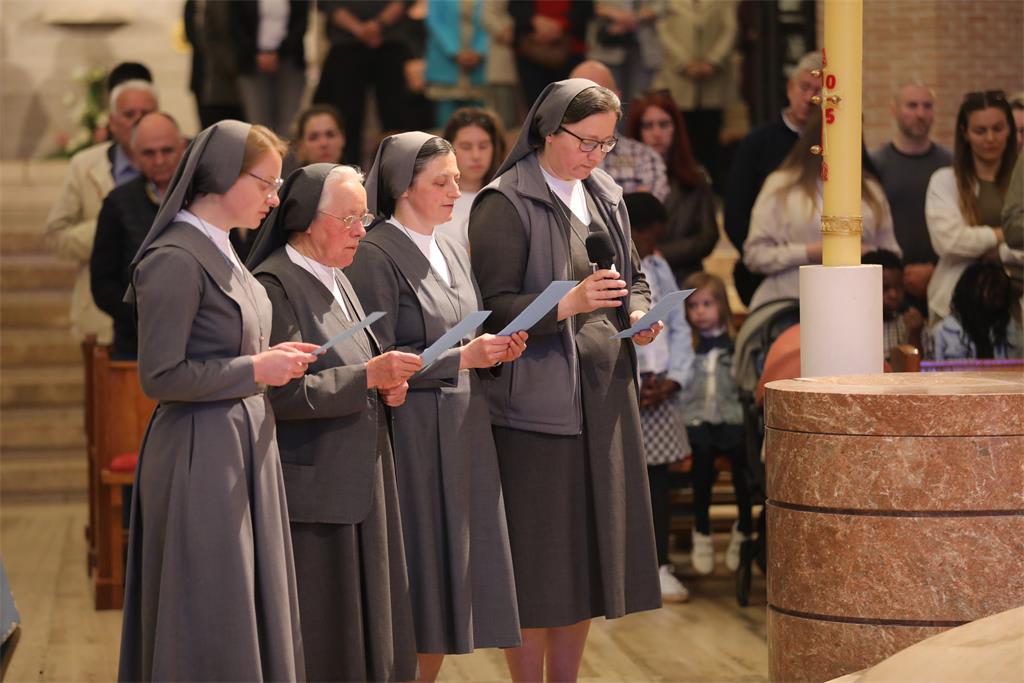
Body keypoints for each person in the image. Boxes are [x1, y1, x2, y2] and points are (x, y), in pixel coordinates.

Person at [469, 78, 662, 682]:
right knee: (538, 564)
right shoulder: (504, 202)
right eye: (586, 142)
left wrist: (639, 312)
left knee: (583, 563)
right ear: (549, 131)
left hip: (604, 399)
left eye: (606, 144)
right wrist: (569, 302)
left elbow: (633, 277)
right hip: (536, 406)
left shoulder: (605, 194)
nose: (595, 156)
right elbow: (491, 308)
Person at [118, 121, 319, 680]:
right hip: (199, 451)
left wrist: (269, 356)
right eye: (266, 183)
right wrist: (256, 368)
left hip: (241, 439)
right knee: (210, 606)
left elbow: (226, 344)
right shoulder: (175, 257)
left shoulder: (222, 245)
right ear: (224, 176)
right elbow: (161, 376)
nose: (274, 199)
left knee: (242, 598)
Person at [344, 132, 527, 682]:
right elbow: (373, 359)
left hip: (464, 426)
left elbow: (464, 332)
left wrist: (494, 351)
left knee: (453, 583)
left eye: (456, 180)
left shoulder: (450, 247)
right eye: (441, 181)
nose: (455, 190)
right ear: (403, 186)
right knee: (419, 584)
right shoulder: (375, 253)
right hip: (412, 434)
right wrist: (461, 358)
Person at [246, 164, 421, 681]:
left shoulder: (338, 275)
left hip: (359, 475)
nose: (360, 231)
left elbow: (356, 367)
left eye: (363, 218)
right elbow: (279, 394)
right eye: (348, 219)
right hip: (314, 490)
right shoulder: (276, 284)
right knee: (325, 638)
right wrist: (366, 377)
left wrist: (387, 384)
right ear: (304, 218)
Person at [743, 113, 902, 311]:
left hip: (856, 302)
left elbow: (892, 254)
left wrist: (868, 253)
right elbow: (755, 255)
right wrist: (811, 252)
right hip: (790, 300)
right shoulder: (781, 186)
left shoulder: (870, 191)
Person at [45, 79, 158, 344]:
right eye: (129, 114)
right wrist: (111, 228)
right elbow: (56, 236)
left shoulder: (172, 166)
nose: (138, 121)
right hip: (101, 317)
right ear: (112, 122)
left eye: (146, 113)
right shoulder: (85, 166)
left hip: (164, 319)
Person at [625, 192, 693, 604]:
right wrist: (633, 383)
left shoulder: (658, 265)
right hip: (625, 388)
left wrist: (673, 380)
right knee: (621, 480)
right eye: (649, 235)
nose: (654, 244)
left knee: (659, 483)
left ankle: (660, 563)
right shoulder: (611, 266)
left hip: (659, 387)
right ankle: (624, 567)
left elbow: (677, 323)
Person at [725, 51, 822, 306]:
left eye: (819, 91)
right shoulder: (758, 142)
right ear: (790, 88)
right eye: (805, 87)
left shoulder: (840, 143)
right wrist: (769, 259)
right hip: (769, 271)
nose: (810, 98)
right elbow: (736, 214)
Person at [91, 112, 186, 359]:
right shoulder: (117, 203)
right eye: (149, 153)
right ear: (134, 155)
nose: (159, 160)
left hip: (198, 342)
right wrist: (143, 317)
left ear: (183, 148)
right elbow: (102, 283)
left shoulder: (204, 198)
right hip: (136, 346)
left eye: (167, 150)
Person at [926, 90, 1019, 326]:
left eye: (998, 128)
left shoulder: (1020, 182)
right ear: (964, 132)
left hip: (1015, 305)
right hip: (954, 305)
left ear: (1010, 130)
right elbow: (949, 242)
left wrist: (998, 252)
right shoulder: (945, 180)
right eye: (980, 131)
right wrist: (1003, 234)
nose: (990, 138)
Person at [680, 271, 750, 575]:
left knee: (743, 458)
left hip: (730, 417)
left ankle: (744, 528)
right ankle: (702, 529)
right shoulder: (687, 346)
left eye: (707, 304)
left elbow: (746, 384)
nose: (700, 312)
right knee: (702, 458)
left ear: (721, 304)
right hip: (697, 420)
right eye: (693, 306)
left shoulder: (736, 345)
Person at [870, 80, 953, 314]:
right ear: (894, 110)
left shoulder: (950, 163)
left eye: (927, 106)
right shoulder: (876, 164)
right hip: (889, 287)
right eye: (912, 105)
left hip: (941, 278)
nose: (920, 114)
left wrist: (934, 270)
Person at [626, 89, 718, 286]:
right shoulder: (622, 177)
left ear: (675, 127)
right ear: (637, 131)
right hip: (633, 276)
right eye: (648, 126)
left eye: (663, 124)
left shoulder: (695, 177)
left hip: (684, 277)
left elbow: (707, 237)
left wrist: (662, 253)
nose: (656, 133)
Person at [654, 0, 737, 192]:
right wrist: (684, 63)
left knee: (710, 139)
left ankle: (711, 190)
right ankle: (682, 188)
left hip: (713, 81)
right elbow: (663, 30)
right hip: (679, 80)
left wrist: (713, 61)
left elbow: (730, 30)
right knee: (681, 138)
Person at [314, 1, 409, 165]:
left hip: (391, 41)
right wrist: (359, 29)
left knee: (395, 117)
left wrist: (379, 25)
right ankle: (346, 171)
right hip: (345, 43)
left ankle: (398, 170)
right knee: (345, 117)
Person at [569, 60, 669, 201]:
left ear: (617, 98)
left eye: (598, 98)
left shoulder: (645, 157)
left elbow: (647, 211)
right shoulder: (554, 153)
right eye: (580, 97)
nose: (589, 107)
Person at [229, 0, 310, 137]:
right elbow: (236, 25)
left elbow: (301, 23)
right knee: (259, 123)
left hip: (289, 59)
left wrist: (280, 53)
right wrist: (255, 53)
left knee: (288, 122)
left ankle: (285, 152)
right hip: (252, 62)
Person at [439, 107, 507, 253]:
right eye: (466, 147)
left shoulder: (507, 197)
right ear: (448, 149)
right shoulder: (434, 199)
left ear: (495, 148)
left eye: (483, 146)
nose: (476, 155)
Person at [931, 261, 1020, 360]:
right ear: (972, 289)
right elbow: (933, 368)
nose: (998, 293)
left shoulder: (1011, 329)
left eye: (1002, 289)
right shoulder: (943, 332)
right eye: (992, 287)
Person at [509, 2, 592, 107]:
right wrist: (534, 20)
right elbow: (515, 7)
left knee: (570, 104)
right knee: (535, 105)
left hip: (571, 51)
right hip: (530, 51)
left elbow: (586, 8)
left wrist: (561, 24)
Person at [585, 1, 662, 108]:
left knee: (640, 100)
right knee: (606, 99)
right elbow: (592, 6)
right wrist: (617, 16)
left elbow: (661, 6)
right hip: (608, 47)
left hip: (644, 49)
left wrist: (633, 19)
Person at [424, 0, 488, 128]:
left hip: (478, 69)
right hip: (446, 65)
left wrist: (479, 51)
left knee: (478, 124)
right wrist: (455, 51)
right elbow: (435, 21)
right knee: (447, 126)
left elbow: (490, 21)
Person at [862, 250, 925, 360]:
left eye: (899, 286)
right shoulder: (855, 327)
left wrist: (914, 334)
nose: (894, 295)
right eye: (885, 288)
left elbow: (918, 366)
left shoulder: (908, 323)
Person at [283, 104, 347, 176]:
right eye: (313, 137)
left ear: (343, 138)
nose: (324, 143)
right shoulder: (290, 183)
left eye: (330, 135)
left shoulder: (357, 181)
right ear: (301, 145)